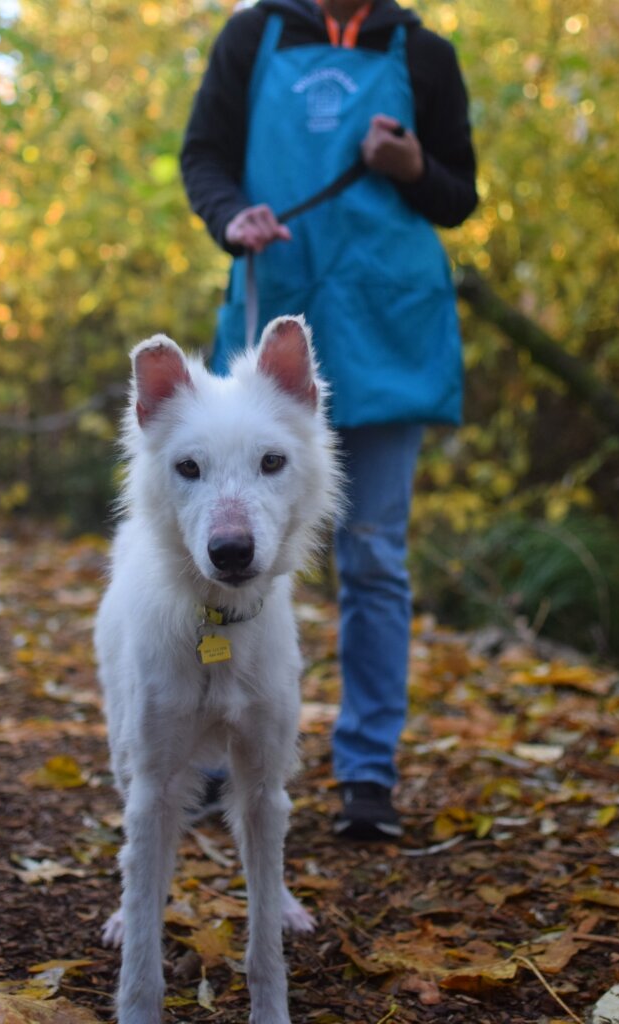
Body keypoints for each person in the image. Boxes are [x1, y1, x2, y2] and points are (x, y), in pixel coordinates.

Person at [180, 0, 478, 839]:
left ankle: (367, 774)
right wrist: (230, 215)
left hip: (389, 327)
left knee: (375, 555)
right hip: (274, 317)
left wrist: (413, 165)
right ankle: (206, 758)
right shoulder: (253, 34)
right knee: (220, 558)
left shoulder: (424, 53)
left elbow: (459, 196)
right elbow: (202, 156)